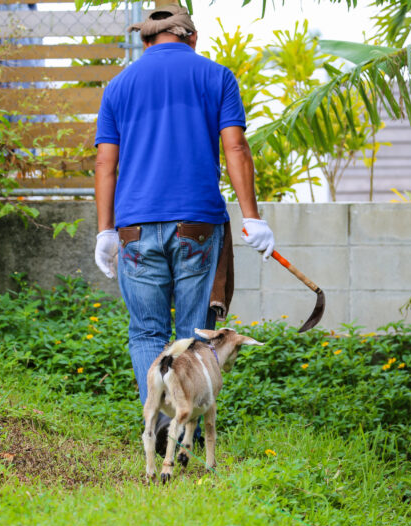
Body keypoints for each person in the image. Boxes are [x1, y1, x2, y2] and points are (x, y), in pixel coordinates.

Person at [93, 5, 274, 454]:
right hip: (197, 223)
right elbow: (235, 145)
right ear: (191, 38)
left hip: (134, 226)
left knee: (147, 333)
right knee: (196, 333)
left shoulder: (118, 86)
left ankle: (157, 423)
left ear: (146, 41)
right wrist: (252, 217)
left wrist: (105, 231)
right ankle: (187, 434)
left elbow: (105, 163)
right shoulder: (217, 77)